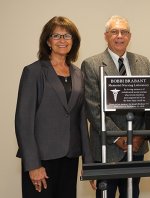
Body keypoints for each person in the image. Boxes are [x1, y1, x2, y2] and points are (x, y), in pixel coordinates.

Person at [15, 16, 92, 198]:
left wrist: (88, 163)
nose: (62, 41)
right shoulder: (33, 72)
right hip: (41, 160)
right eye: (56, 36)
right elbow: (23, 122)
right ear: (48, 41)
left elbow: (82, 120)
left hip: (70, 158)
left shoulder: (79, 74)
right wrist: (33, 165)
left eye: (67, 36)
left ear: (74, 41)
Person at [81, 15, 150, 198]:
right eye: (114, 32)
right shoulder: (91, 64)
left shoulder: (143, 62)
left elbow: (149, 105)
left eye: (124, 32)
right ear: (106, 36)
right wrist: (119, 137)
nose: (119, 36)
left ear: (130, 36)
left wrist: (138, 137)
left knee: (132, 194)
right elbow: (93, 107)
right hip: (107, 146)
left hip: (136, 147)